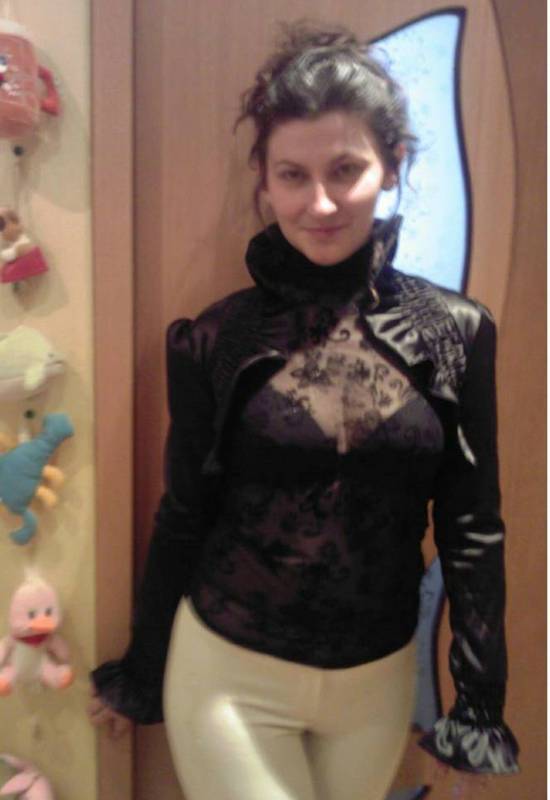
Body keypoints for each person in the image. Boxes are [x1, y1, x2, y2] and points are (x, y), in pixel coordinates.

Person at [89, 21, 519, 800]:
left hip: (378, 684)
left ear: (392, 165)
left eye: (345, 169)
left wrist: (478, 706)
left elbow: (472, 527)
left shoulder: (457, 333)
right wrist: (143, 669)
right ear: (263, 180)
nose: (319, 202)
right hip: (229, 677)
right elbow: (184, 513)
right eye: (293, 175)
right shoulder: (216, 339)